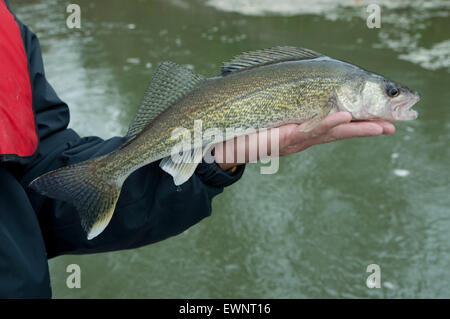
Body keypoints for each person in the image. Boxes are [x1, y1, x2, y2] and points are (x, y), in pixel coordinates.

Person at [0, 0, 395, 298]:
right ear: (353, 89)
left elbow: (34, 185)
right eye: (390, 92)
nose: (397, 98)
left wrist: (214, 160)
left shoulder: (10, 35)